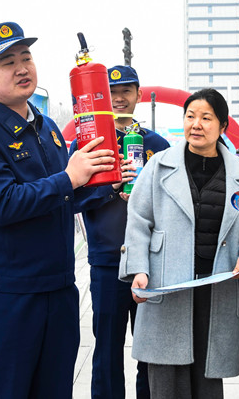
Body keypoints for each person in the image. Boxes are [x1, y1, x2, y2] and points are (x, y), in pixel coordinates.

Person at [0, 22, 117, 398]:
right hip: (9, 297)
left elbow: (62, 199)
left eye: (25, 57)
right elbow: (2, 204)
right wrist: (70, 178)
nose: (21, 68)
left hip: (57, 290)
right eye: (7, 62)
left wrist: (105, 185)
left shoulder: (47, 129)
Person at [119, 88, 239, 399]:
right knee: (166, 377)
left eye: (206, 118)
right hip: (167, 283)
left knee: (209, 373)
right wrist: (139, 270)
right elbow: (139, 222)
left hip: (217, 284)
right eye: (190, 116)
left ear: (223, 126)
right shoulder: (159, 166)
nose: (196, 124)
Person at [69, 64, 170, 399]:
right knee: (107, 349)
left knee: (150, 351)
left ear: (139, 95)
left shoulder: (157, 145)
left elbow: (173, 202)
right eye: (110, 92)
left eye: (126, 90)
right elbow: (71, 199)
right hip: (107, 262)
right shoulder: (87, 145)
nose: (118, 98)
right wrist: (110, 188)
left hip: (150, 264)